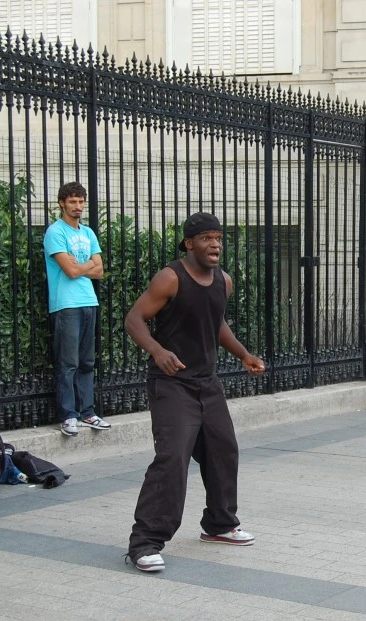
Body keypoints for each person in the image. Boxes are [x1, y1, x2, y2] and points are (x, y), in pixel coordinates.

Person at [124, 212, 266, 573]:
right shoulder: (170, 278)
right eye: (206, 238)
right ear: (189, 244)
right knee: (173, 458)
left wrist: (244, 354)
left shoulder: (223, 281)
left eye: (218, 237)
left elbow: (215, 322)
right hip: (172, 384)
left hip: (207, 383)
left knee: (223, 450)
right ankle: (144, 543)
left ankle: (219, 524)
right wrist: (157, 350)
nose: (215, 244)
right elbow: (134, 319)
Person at [43, 181, 110, 438]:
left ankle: (88, 412)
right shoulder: (55, 232)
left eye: (81, 201)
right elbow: (70, 271)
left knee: (87, 362)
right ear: (62, 203)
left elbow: (100, 270)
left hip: (88, 301)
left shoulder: (88, 233)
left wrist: (81, 266)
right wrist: (87, 265)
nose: (78, 206)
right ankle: (68, 415)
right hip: (66, 304)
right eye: (73, 201)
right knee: (68, 362)